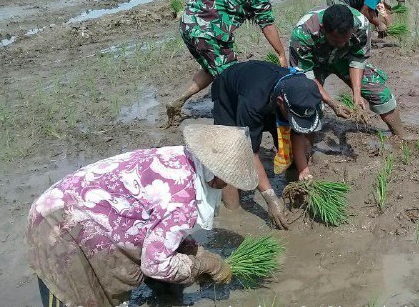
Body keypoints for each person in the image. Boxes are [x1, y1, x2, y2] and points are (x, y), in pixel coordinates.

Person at [27, 124, 258, 307]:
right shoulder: (183, 203)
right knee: (75, 296)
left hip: (68, 202)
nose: (226, 185)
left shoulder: (179, 157)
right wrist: (203, 266)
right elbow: (155, 265)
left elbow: (156, 219)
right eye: (227, 179)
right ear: (216, 175)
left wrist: (193, 249)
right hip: (59, 227)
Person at [165, 0, 287, 127]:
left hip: (188, 24)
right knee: (231, 76)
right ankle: (230, 122)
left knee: (215, 67)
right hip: (209, 32)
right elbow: (266, 21)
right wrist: (281, 53)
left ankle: (179, 100)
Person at [289, 4, 415, 175]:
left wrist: (357, 94)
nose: (341, 43)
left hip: (344, 58)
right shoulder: (302, 34)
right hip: (314, 63)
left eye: (345, 40)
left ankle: (400, 134)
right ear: (323, 29)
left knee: (378, 90)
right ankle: (306, 155)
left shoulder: (360, 24)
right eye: (336, 40)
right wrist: (332, 103)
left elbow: (358, 58)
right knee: (308, 104)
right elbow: (306, 78)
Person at [211, 60, 324, 229]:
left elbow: (298, 133)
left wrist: (303, 169)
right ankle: (233, 216)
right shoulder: (253, 102)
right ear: (280, 102)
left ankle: (294, 193)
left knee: (291, 153)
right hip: (231, 93)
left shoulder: (304, 92)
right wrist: (271, 199)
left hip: (269, 95)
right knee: (232, 156)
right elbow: (250, 153)